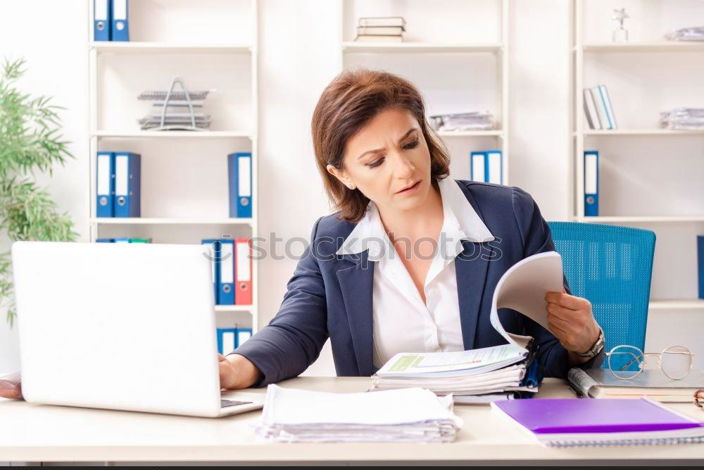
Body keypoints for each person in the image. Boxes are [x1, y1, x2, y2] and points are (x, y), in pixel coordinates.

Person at [0, 69, 604, 400]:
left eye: (410, 143)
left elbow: (547, 349)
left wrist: (583, 341)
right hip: (386, 438)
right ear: (341, 173)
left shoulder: (508, 214)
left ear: (426, 134)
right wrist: (235, 368)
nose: (404, 169)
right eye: (375, 161)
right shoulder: (331, 239)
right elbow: (297, 328)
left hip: (497, 434)